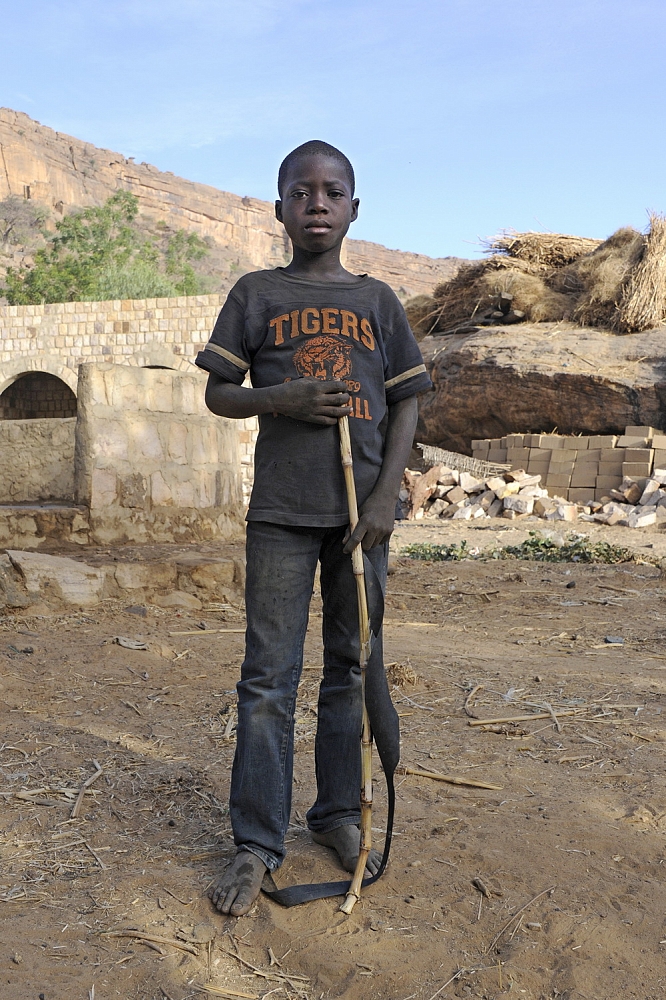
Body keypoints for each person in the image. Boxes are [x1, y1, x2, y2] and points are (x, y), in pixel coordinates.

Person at [195, 140, 432, 916]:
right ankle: (255, 843)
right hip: (281, 519)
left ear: (355, 208)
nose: (318, 203)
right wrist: (284, 399)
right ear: (280, 210)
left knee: (352, 666)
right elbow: (220, 394)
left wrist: (384, 497)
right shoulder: (256, 293)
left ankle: (334, 813)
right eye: (303, 192)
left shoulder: (378, 302)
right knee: (267, 677)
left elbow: (407, 401)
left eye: (333, 191)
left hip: (360, 520)